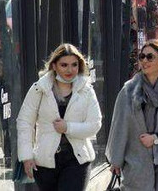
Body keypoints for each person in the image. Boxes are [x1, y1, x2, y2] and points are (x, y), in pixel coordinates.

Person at [17, 44, 102, 189]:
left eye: (74, 65)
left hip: (77, 159)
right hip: (46, 160)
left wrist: (68, 127)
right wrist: (26, 157)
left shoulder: (86, 90)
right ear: (54, 66)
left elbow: (95, 124)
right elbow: (25, 122)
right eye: (64, 65)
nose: (70, 70)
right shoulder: (39, 88)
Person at [107, 40, 158, 190]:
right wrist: (116, 160)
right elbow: (119, 126)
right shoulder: (128, 91)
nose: (144, 61)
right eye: (142, 57)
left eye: (150, 57)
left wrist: (155, 139)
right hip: (136, 159)